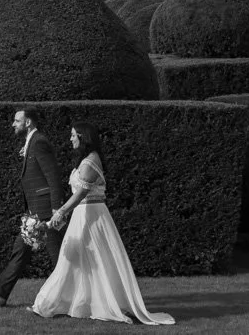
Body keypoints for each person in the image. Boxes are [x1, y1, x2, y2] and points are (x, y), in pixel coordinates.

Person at [28, 123, 175, 325]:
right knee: (72, 259)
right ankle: (55, 303)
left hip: (92, 215)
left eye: (73, 135)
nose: (70, 139)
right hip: (82, 215)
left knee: (94, 259)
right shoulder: (84, 160)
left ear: (82, 136)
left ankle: (52, 303)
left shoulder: (91, 161)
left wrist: (61, 212)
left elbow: (81, 194)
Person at [0, 108, 63, 307]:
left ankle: (72, 296)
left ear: (28, 122)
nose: (13, 124)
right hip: (34, 210)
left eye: (17, 120)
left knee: (57, 256)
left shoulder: (38, 141)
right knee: (20, 250)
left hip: (45, 211)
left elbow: (53, 177)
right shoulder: (31, 141)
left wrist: (56, 210)